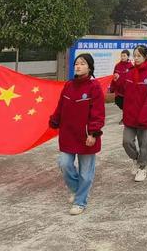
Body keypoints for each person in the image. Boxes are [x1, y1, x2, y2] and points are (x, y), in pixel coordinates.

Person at [49, 53, 105, 215]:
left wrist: (93, 134)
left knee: (86, 173)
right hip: (68, 134)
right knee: (64, 164)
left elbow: (98, 113)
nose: (78, 66)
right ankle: (76, 189)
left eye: (82, 64)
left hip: (87, 137)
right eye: (76, 64)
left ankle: (80, 202)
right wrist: (54, 120)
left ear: (89, 67)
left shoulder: (94, 87)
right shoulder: (68, 86)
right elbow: (61, 106)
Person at [122, 45, 147, 182]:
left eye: (138, 56)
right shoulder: (130, 71)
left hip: (144, 117)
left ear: (145, 57)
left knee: (144, 144)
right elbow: (123, 89)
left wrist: (145, 116)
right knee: (126, 142)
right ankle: (136, 159)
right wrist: (116, 80)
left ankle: (142, 168)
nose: (135, 58)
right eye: (134, 55)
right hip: (130, 115)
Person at [109, 50, 133, 125]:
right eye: (122, 56)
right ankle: (128, 114)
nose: (122, 57)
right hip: (118, 89)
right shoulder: (117, 65)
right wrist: (112, 87)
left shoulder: (131, 66)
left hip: (127, 90)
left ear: (128, 56)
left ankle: (125, 118)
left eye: (124, 56)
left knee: (126, 105)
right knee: (118, 102)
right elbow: (114, 77)